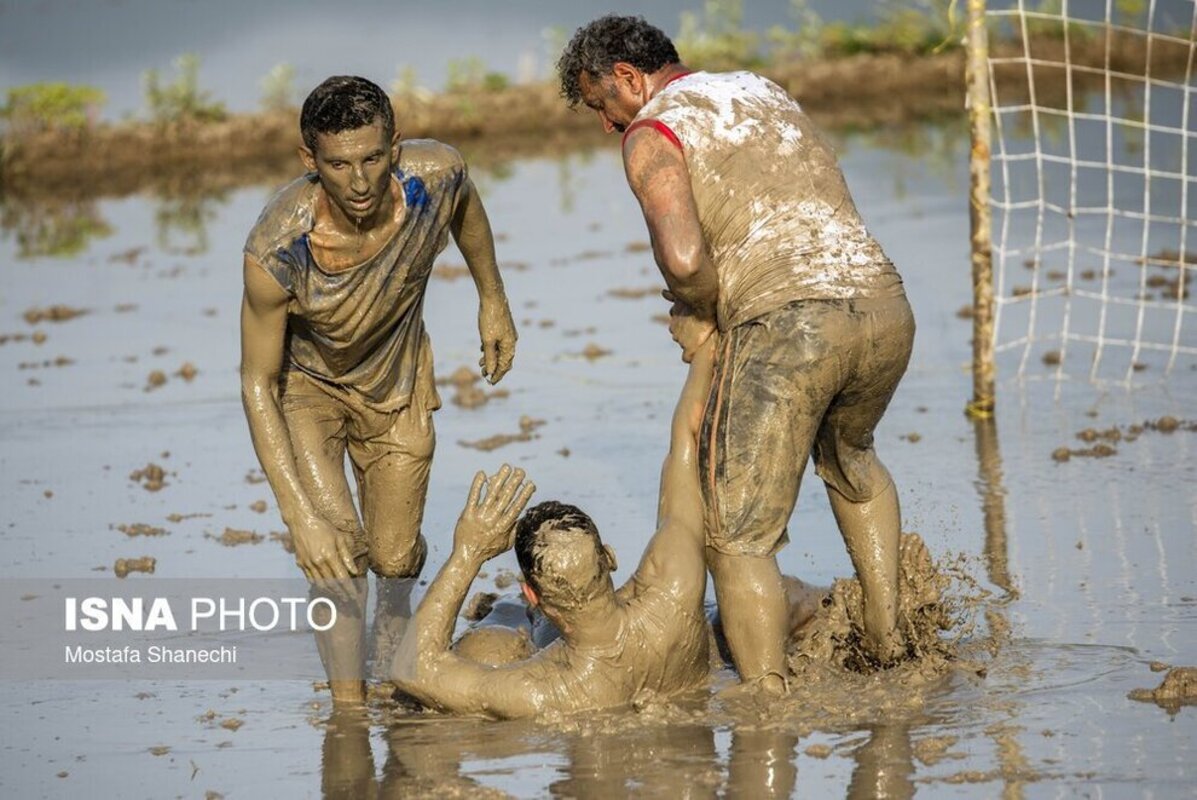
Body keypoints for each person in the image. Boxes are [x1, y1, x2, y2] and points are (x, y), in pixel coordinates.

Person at [556, 16, 917, 691]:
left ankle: (767, 708)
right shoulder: (759, 89)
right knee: (850, 460)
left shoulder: (650, 131)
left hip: (790, 323)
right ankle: (890, 642)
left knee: (737, 536)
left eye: (600, 105)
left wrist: (699, 312)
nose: (606, 124)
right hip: (882, 304)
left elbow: (685, 257)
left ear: (629, 79)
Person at [240, 75, 517, 704]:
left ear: (395, 148)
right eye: (338, 164)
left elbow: (466, 209)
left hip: (398, 384)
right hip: (307, 391)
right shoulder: (278, 249)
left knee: (392, 558)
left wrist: (492, 298)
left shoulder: (435, 177)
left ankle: (395, 666)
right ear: (310, 161)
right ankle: (347, 706)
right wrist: (299, 517)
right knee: (337, 558)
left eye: (372, 158)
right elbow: (256, 380)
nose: (359, 182)